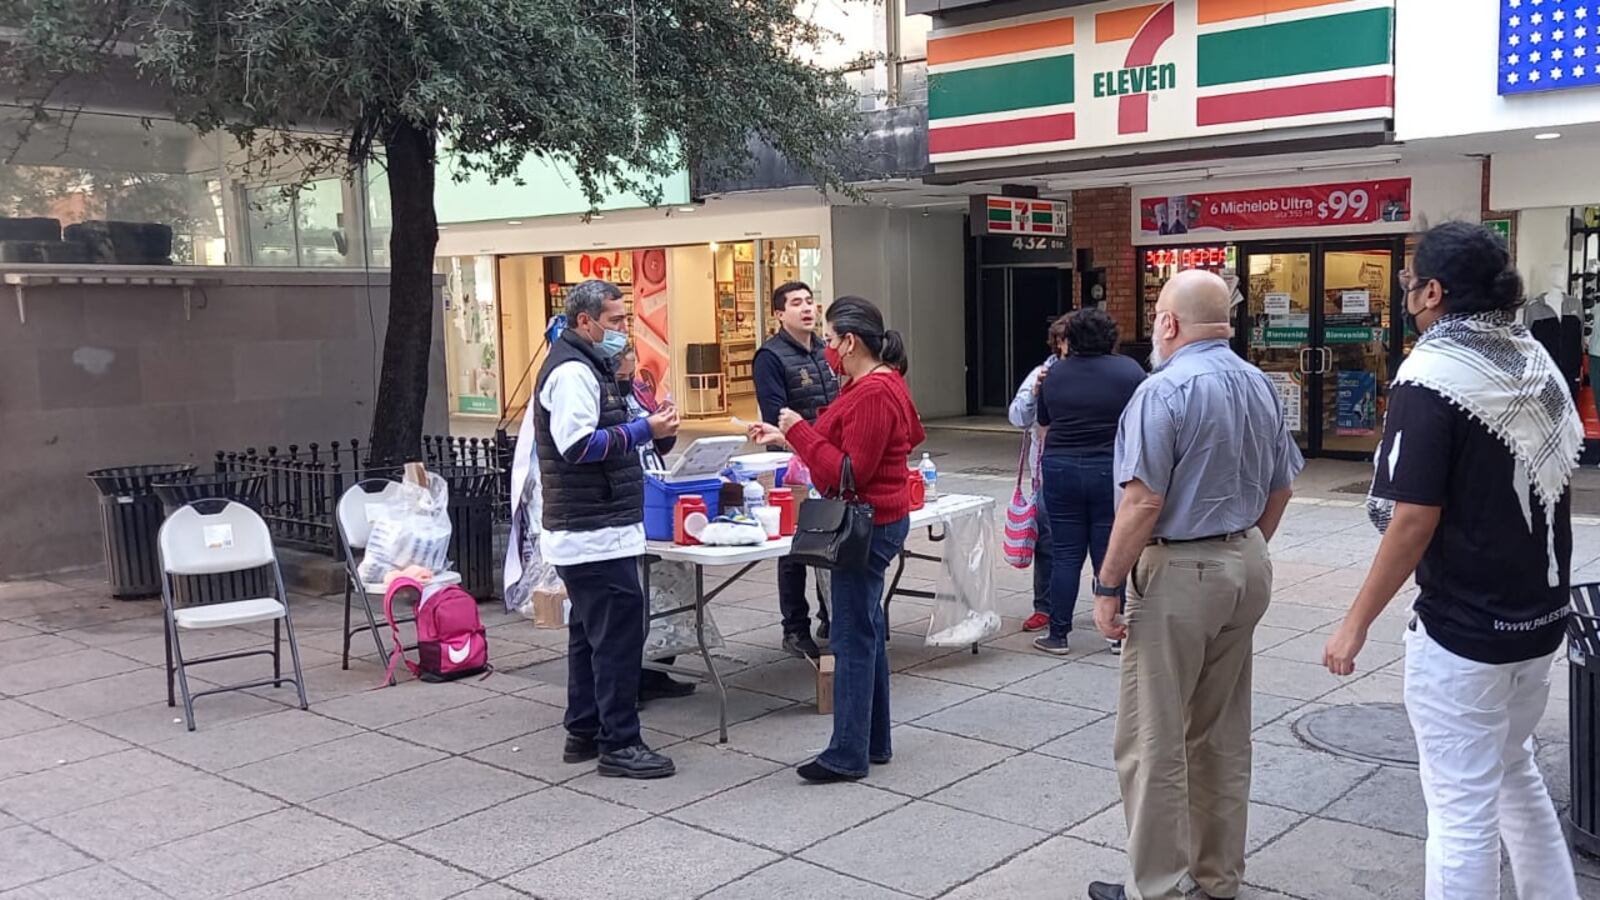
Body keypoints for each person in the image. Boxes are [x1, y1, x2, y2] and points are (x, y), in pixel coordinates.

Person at [1323, 223, 1581, 900]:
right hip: (1539, 617)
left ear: (1432, 292)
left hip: (1463, 627)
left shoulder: (1432, 373)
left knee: (1461, 812)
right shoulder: (1533, 359)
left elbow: (1412, 517)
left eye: (1411, 282)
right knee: (1513, 773)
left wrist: (1354, 623)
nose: (1408, 294)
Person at [1087, 270, 1303, 900]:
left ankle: (1153, 885)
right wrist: (1246, 544)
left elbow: (1142, 502)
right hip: (1244, 563)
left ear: (1169, 323)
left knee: (1152, 737)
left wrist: (1108, 585)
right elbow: (1284, 483)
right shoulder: (1261, 383)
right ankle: (1217, 876)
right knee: (1221, 732)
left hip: (1180, 571)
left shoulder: (1164, 391)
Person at [747, 296, 924, 783]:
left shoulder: (872, 392)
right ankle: (873, 741)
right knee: (865, 629)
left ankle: (848, 751)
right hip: (879, 519)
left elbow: (849, 472)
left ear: (850, 342)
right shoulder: (876, 384)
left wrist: (799, 433)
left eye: (829, 340)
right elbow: (841, 442)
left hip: (865, 523)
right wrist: (789, 434)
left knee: (851, 635)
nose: (826, 348)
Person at [535, 280, 680, 780]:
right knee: (618, 635)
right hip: (593, 528)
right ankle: (620, 741)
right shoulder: (574, 370)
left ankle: (585, 729)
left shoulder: (589, 367)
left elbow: (615, 440)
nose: (623, 331)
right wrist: (644, 430)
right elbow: (577, 446)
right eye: (616, 321)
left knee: (588, 632)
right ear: (585, 322)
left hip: (595, 525)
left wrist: (657, 433)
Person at [1032, 308, 1145, 656]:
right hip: (1109, 469)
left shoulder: (1053, 374)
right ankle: (1114, 633)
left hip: (1060, 467)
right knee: (1108, 551)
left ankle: (1058, 634)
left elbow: (1043, 419)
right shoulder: (1130, 372)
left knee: (1065, 553)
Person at [753, 280, 841, 659]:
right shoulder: (770, 357)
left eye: (810, 301)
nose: (807, 308)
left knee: (830, 538)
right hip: (790, 463)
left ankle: (830, 616)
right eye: (796, 303)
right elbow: (775, 416)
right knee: (793, 547)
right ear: (779, 313)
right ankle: (795, 626)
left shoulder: (826, 351)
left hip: (825, 457)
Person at [614, 345, 697, 703]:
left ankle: (658, 669)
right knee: (633, 597)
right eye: (624, 358)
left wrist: (665, 428)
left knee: (664, 589)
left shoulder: (638, 389)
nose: (630, 363)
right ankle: (631, 680)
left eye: (631, 356)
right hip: (625, 499)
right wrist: (643, 428)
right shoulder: (600, 393)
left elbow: (658, 444)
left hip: (653, 488)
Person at [1008, 315, 1068, 633]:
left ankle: (1109, 605)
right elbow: (1017, 416)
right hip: (1046, 472)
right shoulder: (1042, 373)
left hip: (1087, 468)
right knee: (1047, 541)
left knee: (1099, 541)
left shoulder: (1094, 375)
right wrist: (1035, 391)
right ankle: (1043, 606)